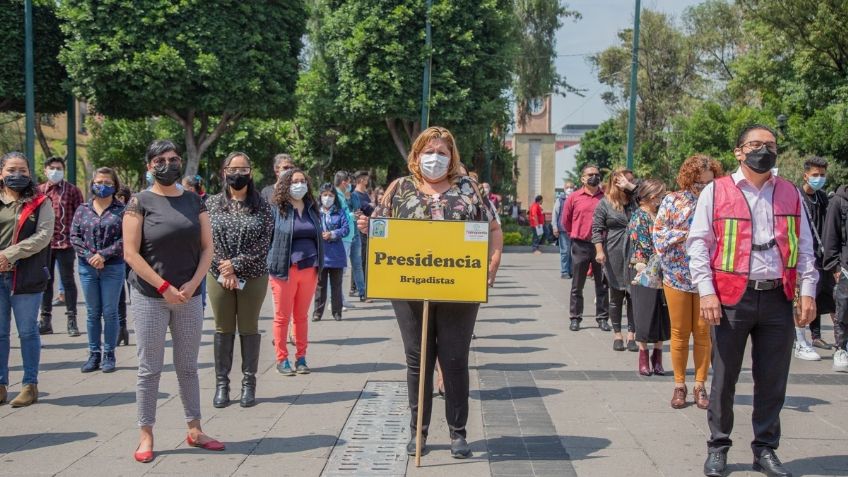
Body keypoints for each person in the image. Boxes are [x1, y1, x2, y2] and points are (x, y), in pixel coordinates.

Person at [357, 126, 503, 459]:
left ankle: (458, 433)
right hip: (408, 287)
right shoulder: (399, 188)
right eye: (428, 151)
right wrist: (369, 228)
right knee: (417, 360)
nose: (434, 157)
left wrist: (493, 261)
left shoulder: (469, 190)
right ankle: (417, 432)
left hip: (459, 288)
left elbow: (493, 228)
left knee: (454, 359)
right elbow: (381, 229)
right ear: (416, 154)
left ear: (452, 156)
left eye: (441, 151)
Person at [689, 125, 817, 477]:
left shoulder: (790, 192)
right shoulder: (716, 191)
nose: (764, 150)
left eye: (770, 145)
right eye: (756, 144)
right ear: (739, 152)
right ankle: (718, 446)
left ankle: (765, 449)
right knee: (724, 378)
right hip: (731, 298)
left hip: (778, 296)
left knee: (773, 379)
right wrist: (707, 291)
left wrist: (807, 291)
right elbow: (698, 244)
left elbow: (805, 247)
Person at [123, 140, 223, 463]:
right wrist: (163, 285)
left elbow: (208, 248)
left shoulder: (196, 202)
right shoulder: (140, 202)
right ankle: (146, 433)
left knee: (188, 367)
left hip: (189, 297)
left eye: (174, 158)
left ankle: (195, 428)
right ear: (150, 166)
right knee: (149, 368)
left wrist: (194, 284)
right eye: (162, 160)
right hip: (150, 297)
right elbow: (130, 253)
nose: (169, 164)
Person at [654, 154, 722, 410]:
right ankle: (680, 385)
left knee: (704, 333)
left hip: (707, 276)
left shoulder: (718, 201)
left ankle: (700, 385)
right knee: (680, 334)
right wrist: (688, 235)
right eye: (698, 183)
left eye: (708, 183)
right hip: (677, 274)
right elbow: (659, 234)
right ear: (688, 179)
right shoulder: (673, 200)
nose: (703, 188)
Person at [206, 152, 273, 409]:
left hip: (253, 274)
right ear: (224, 172)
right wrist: (225, 268)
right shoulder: (211, 204)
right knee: (223, 328)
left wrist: (236, 265)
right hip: (218, 274)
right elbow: (206, 240)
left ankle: (248, 383)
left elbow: (264, 242)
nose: (238, 174)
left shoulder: (263, 206)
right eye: (233, 169)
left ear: (251, 172)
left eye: (243, 169)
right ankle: (222, 384)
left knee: (248, 327)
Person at [0, 152, 54, 408]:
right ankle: (1, 385)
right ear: (1, 173)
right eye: (11, 170)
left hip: (25, 276)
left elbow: (44, 235)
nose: (17, 175)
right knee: (0, 334)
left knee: (27, 331)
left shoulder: (40, 202)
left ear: (30, 173)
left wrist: (10, 254)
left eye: (22, 170)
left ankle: (29, 385)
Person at [267, 168, 322, 377]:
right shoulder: (277, 209)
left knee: (301, 317)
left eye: (302, 181)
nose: (299, 184)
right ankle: (282, 359)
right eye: (294, 181)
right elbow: (268, 239)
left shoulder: (311, 208)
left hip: (309, 268)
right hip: (284, 269)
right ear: (286, 184)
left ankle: (301, 357)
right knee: (282, 317)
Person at [70, 167, 125, 373]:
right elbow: (74, 236)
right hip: (87, 268)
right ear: (92, 183)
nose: (102, 186)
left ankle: (109, 353)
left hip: (113, 267)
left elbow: (126, 238)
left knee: (110, 312)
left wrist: (104, 255)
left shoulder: (122, 210)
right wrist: (90, 256)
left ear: (115, 185)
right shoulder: (83, 209)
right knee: (92, 312)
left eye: (108, 183)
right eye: (99, 182)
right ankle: (94, 354)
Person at [793, 156, 835, 361]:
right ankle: (800, 341)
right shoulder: (797, 196)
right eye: (815, 175)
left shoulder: (823, 198)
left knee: (828, 298)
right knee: (803, 298)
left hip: (822, 255)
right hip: (804, 254)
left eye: (822, 175)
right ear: (805, 175)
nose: (819, 178)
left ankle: (828, 339)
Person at [627, 179, 670, 375]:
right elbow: (643, 247)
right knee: (644, 314)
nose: (662, 199)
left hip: (665, 271)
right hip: (643, 271)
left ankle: (658, 357)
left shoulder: (661, 215)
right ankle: (643, 356)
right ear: (651, 197)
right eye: (660, 195)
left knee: (662, 315)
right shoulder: (639, 217)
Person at [37, 156, 83, 337]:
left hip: (66, 244)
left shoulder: (72, 190)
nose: (55, 171)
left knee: (68, 281)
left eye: (59, 168)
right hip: (44, 245)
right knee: (46, 282)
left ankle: (72, 320)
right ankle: (45, 320)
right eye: (52, 168)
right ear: (45, 170)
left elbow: (80, 216)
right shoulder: (38, 191)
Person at [593, 167, 638, 348]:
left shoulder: (637, 201)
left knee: (634, 295)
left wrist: (631, 187)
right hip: (614, 250)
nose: (627, 183)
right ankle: (617, 334)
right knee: (617, 295)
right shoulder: (605, 203)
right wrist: (599, 251)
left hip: (636, 251)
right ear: (614, 182)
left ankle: (632, 334)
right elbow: (596, 229)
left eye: (630, 180)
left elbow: (650, 197)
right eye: (623, 180)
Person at [563, 165, 609, 332]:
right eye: (590, 175)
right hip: (580, 245)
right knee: (577, 284)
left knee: (602, 284)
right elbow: (565, 221)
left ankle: (603, 318)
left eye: (597, 174)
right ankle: (575, 318)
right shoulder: (574, 197)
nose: (594, 177)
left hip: (601, 246)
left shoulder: (606, 198)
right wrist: (576, 233)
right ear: (582, 178)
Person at [313, 183, 349, 322]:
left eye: (331, 195)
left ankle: (337, 311)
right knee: (320, 286)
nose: (327, 198)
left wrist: (333, 233)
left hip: (337, 255)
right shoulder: (315, 212)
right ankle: (317, 313)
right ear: (320, 196)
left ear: (335, 197)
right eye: (325, 195)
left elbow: (345, 229)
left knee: (337, 285)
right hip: (321, 254)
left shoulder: (340, 212)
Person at [822, 175, 848, 372]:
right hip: (845, 267)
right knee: (843, 310)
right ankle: (841, 349)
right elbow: (830, 236)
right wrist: (835, 267)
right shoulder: (839, 201)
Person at [335, 171, 366, 302]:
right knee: (341, 268)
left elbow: (358, 209)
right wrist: (351, 214)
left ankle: (362, 292)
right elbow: (337, 214)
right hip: (342, 236)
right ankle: (338, 297)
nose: (350, 185)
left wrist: (350, 198)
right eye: (349, 182)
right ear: (344, 182)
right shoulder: (335, 196)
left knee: (357, 264)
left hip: (355, 234)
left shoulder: (353, 196)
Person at [351, 171, 374, 302]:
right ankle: (362, 290)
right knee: (362, 260)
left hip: (368, 228)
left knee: (362, 259)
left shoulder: (365, 194)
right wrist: (371, 207)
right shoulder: (355, 195)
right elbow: (360, 211)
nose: (367, 180)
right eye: (365, 178)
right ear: (360, 180)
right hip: (360, 229)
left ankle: (355, 286)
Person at [115, 185, 132, 346]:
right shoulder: (111, 211)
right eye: (117, 196)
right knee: (119, 297)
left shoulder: (129, 211)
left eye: (122, 197)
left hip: (132, 260)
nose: (119, 199)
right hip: (116, 259)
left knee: (134, 294)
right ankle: (121, 328)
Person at [552, 180, 574, 279]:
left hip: (575, 230)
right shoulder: (560, 200)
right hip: (563, 230)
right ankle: (564, 271)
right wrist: (555, 227)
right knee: (565, 251)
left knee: (573, 252)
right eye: (567, 187)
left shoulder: (576, 199)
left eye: (571, 187)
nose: (569, 189)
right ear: (564, 189)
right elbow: (555, 214)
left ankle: (572, 271)